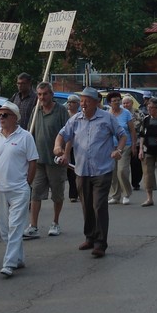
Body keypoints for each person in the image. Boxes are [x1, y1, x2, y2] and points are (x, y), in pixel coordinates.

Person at [54, 87, 126, 258]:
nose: (83, 104)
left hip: (102, 170)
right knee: (86, 206)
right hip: (81, 170)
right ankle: (90, 237)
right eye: (81, 101)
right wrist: (58, 146)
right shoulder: (75, 119)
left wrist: (119, 150)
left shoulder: (107, 118)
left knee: (99, 205)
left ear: (96, 102)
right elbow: (62, 135)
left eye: (87, 100)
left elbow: (122, 135)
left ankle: (101, 243)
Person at [0, 102, 38, 278]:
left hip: (19, 189)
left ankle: (8, 263)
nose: (1, 118)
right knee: (5, 229)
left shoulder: (26, 136)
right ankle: (19, 258)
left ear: (15, 117)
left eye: (5, 115)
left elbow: (33, 161)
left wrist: (27, 182)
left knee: (15, 226)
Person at [24, 82, 69, 238]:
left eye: (45, 94)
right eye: (39, 94)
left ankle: (55, 223)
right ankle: (33, 225)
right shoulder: (36, 111)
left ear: (51, 94)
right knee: (36, 193)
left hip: (56, 161)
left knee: (57, 194)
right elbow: (30, 133)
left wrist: (66, 154)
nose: (42, 97)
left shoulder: (61, 111)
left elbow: (69, 135)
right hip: (39, 160)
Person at [106, 90, 136, 204]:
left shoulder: (126, 113)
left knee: (122, 170)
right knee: (112, 172)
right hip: (111, 146)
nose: (117, 103)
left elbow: (132, 130)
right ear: (109, 103)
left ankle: (126, 194)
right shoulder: (107, 114)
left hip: (125, 145)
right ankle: (115, 195)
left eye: (118, 100)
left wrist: (134, 145)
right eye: (114, 101)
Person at [123, 95, 144, 191]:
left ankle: (136, 182)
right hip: (124, 142)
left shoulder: (138, 113)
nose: (125, 105)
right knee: (123, 165)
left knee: (136, 164)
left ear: (131, 103)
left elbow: (143, 127)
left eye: (127, 103)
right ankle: (124, 183)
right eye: (123, 103)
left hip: (137, 141)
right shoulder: (120, 113)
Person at [64, 94, 80, 202]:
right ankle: (72, 192)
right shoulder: (65, 115)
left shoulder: (80, 116)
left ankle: (75, 193)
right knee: (68, 170)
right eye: (68, 102)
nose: (69, 104)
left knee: (75, 169)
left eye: (72, 102)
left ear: (77, 104)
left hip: (77, 146)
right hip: (65, 146)